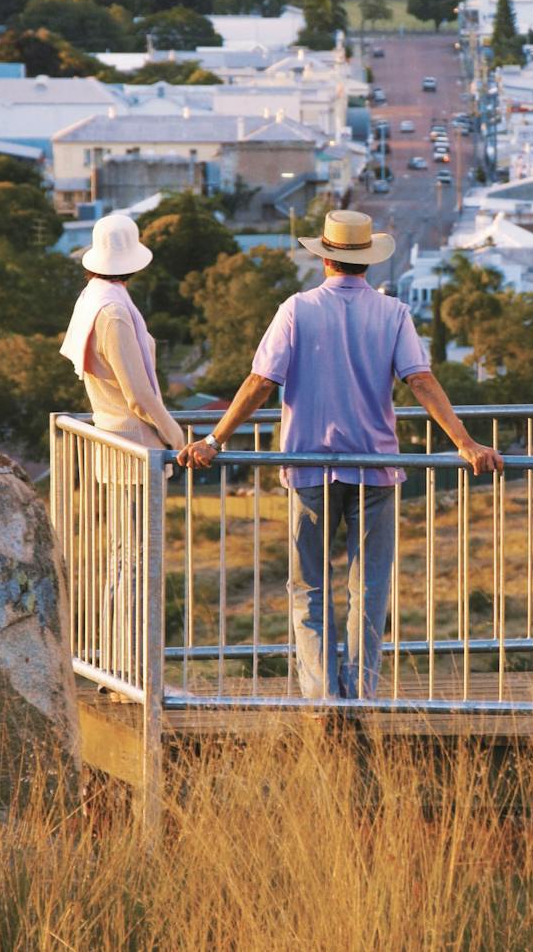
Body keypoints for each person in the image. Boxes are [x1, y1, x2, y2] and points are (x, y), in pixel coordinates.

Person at [179, 209, 501, 701]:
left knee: (309, 587)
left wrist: (214, 441)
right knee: (368, 590)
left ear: (324, 256)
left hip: (310, 468)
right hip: (375, 469)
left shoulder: (297, 309)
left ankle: (323, 694)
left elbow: (259, 383)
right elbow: (421, 381)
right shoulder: (393, 314)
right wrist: (466, 443)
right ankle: (362, 692)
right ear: (367, 260)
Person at [60, 212, 182, 454]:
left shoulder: (91, 299)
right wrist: (176, 437)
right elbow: (138, 395)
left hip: (111, 440)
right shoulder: (113, 312)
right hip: (136, 447)